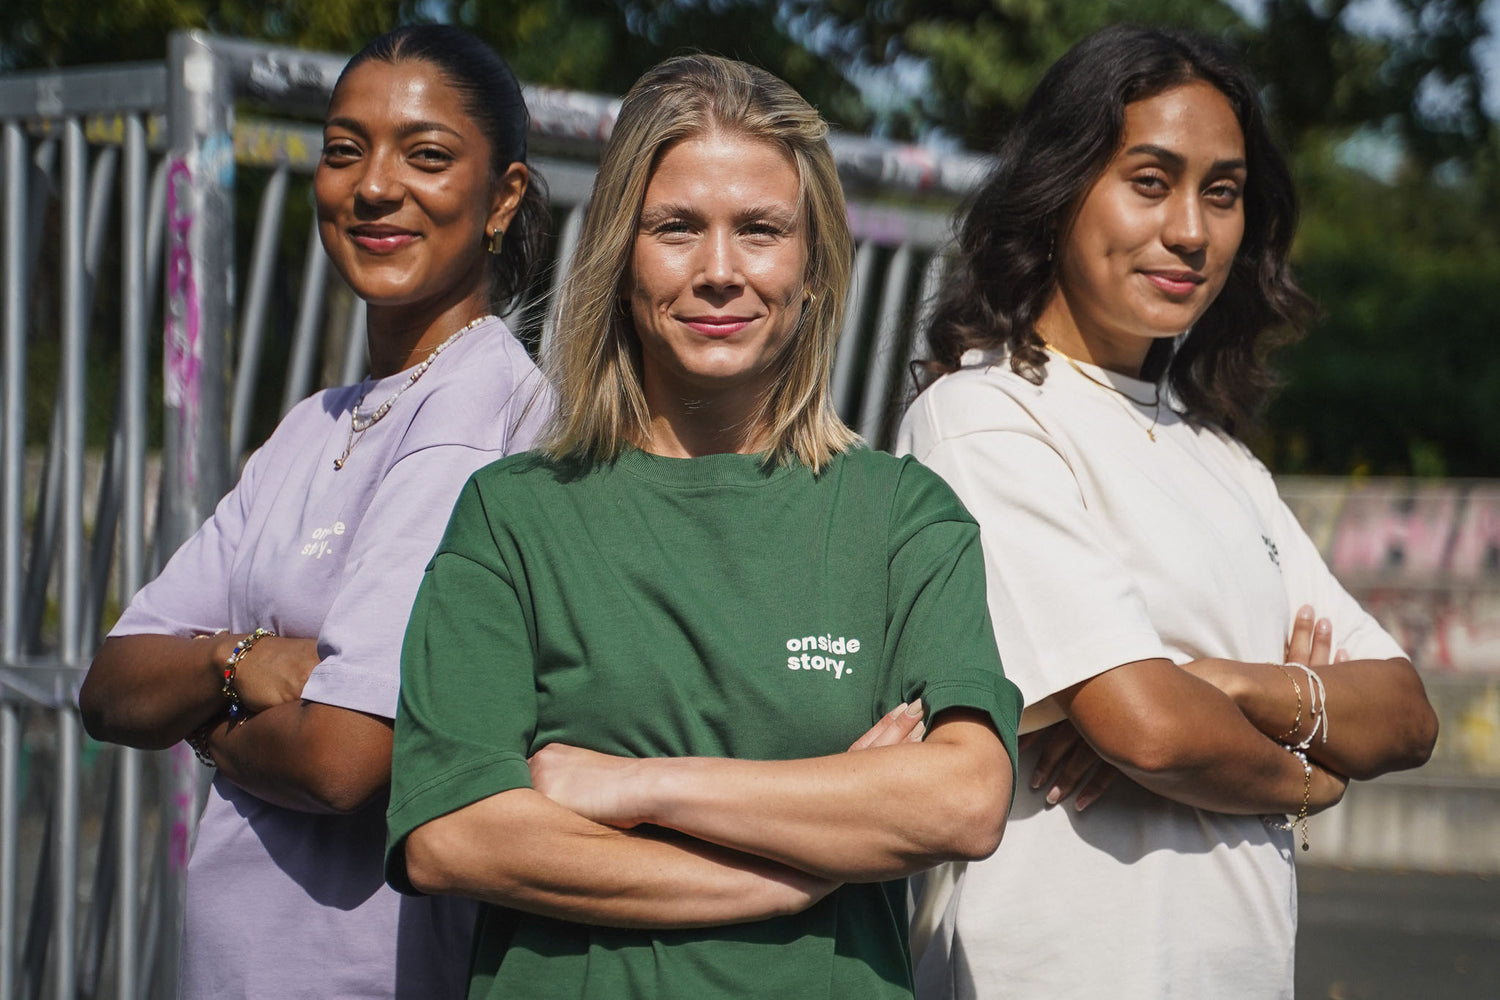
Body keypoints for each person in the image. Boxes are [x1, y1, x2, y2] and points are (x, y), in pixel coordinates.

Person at [383, 53, 1022, 1000]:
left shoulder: (900, 515)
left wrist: (637, 786)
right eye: (677, 228)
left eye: (760, 230)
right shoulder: (513, 513)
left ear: (812, 265)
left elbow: (964, 801)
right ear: (619, 256)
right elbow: (454, 834)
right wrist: (797, 864)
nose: (720, 271)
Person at [895, 24, 1439, 1000]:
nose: (1190, 230)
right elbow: (1146, 727)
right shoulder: (984, 414)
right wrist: (1314, 769)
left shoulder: (1221, 456)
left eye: (1221, 193)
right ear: (1058, 192)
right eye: (1150, 181)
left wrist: (1220, 682)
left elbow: (1403, 713)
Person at [79, 24, 550, 999]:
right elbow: (112, 682)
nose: (375, 186)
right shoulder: (316, 421)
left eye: (426, 155)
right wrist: (240, 661)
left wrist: (202, 720)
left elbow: (345, 758)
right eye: (344, 150)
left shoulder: (474, 406)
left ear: (503, 197)